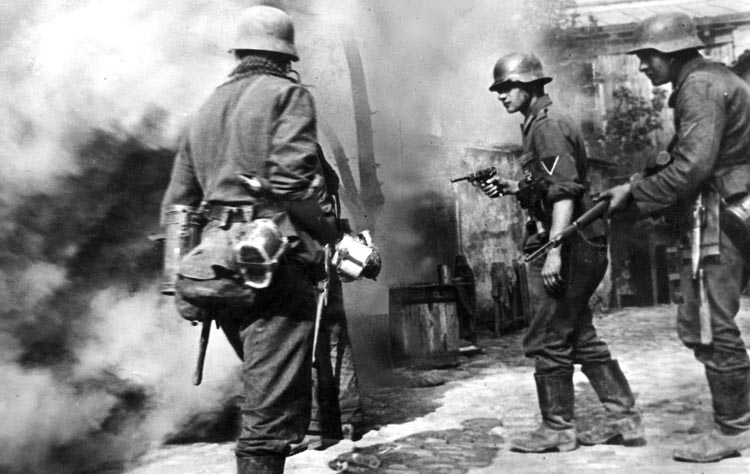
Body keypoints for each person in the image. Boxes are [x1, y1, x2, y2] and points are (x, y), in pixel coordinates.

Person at [160, 5, 339, 474]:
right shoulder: (288, 95)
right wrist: (331, 233)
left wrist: (173, 283)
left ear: (238, 52)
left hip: (217, 269)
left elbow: (179, 205)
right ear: (285, 56)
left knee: (264, 386)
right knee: (269, 412)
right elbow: (293, 183)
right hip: (270, 264)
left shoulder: (206, 108)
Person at [599, 12, 750, 463]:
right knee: (708, 319)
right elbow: (685, 156)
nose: (642, 66)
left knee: (707, 319)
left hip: (719, 211)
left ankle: (734, 428)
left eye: (648, 56)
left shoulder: (699, 88)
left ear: (673, 52)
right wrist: (637, 180)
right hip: (730, 203)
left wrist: (635, 197)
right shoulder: (711, 79)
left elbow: (692, 169)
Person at [479, 52, 643, 453]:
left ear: (533, 86)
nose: (502, 95)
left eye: (509, 87)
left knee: (550, 336)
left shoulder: (548, 127)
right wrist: (514, 186)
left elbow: (566, 192)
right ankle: (627, 420)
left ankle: (557, 429)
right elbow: (551, 184)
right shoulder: (539, 124)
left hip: (572, 244)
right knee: (580, 335)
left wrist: (554, 250)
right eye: (499, 89)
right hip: (580, 241)